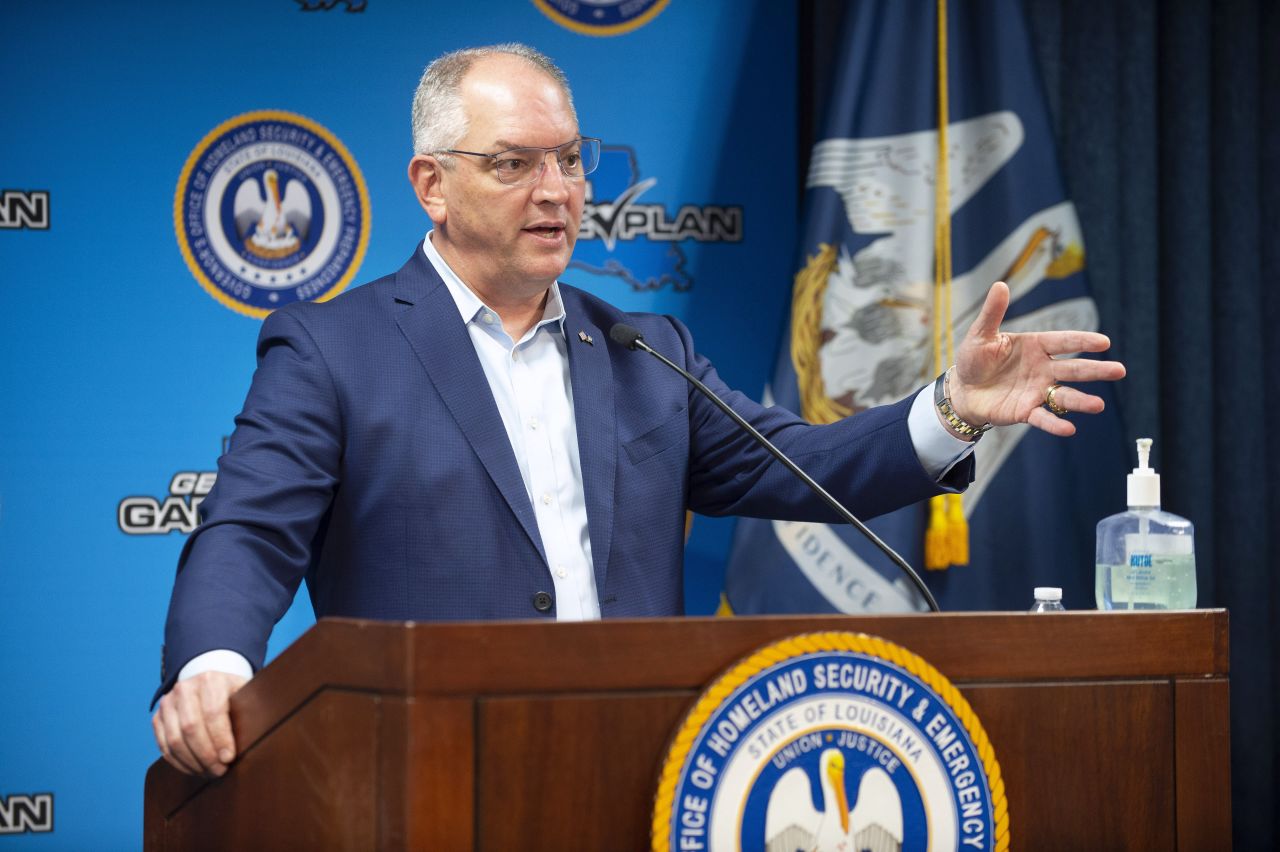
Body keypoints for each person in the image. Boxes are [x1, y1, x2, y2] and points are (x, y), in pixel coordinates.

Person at [151, 43, 1124, 778]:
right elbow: (247, 530)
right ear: (430, 185)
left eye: (569, 163)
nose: (557, 193)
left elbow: (803, 465)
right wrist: (212, 660)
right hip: (424, 771)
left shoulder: (646, 352)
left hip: (634, 772)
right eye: (513, 165)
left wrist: (952, 408)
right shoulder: (334, 348)